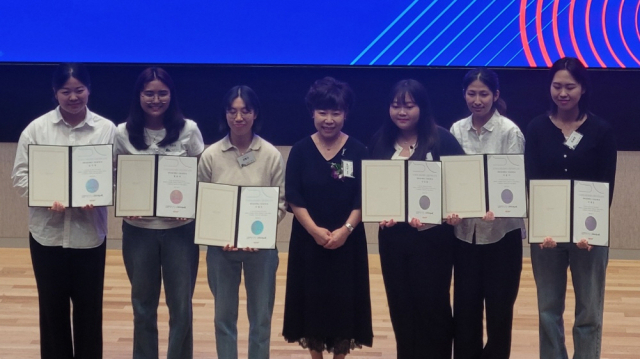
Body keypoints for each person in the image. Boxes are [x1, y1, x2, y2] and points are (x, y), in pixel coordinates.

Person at [11, 63, 116, 359]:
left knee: (89, 309)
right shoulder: (37, 128)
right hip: (47, 234)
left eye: (79, 90)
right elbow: (20, 176)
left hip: (89, 234)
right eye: (66, 91)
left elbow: (117, 174)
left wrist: (101, 194)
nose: (73, 97)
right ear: (55, 93)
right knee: (52, 309)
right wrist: (44, 197)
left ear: (89, 90)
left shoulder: (106, 128)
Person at [524, 57, 616, 359]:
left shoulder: (601, 130)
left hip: (589, 238)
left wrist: (592, 230)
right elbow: (532, 182)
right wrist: (542, 229)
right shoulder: (536, 128)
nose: (562, 93)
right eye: (557, 86)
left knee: (589, 311)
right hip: (548, 237)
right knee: (548, 309)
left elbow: (605, 186)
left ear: (583, 89)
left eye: (570, 87)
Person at [368, 79, 464, 359]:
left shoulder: (442, 139)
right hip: (394, 241)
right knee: (401, 306)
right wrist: (379, 214)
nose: (402, 112)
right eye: (396, 105)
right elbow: (374, 189)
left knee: (433, 306)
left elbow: (460, 186)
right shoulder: (380, 141)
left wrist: (454, 211)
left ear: (422, 108)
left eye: (409, 106)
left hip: (433, 241)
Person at [114, 67, 204, 359]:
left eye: (162, 93)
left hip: (180, 230)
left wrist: (188, 204)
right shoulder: (122, 133)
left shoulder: (188, 129)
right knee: (142, 305)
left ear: (171, 95)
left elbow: (200, 175)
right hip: (138, 231)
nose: (156, 99)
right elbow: (112, 176)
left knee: (181, 307)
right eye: (149, 93)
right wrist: (125, 200)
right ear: (139, 96)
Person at [282, 77, 373, 359]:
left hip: (348, 242)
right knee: (312, 302)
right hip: (309, 243)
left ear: (346, 113)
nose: (329, 119)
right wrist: (314, 231)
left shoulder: (358, 150)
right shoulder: (299, 151)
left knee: (344, 303)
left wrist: (345, 230)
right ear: (312, 113)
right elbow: (294, 197)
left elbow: (363, 196)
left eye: (336, 112)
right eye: (323, 112)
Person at [197, 85, 286, 359]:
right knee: (224, 318)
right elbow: (203, 202)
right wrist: (217, 234)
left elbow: (280, 203)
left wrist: (254, 236)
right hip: (221, 251)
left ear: (255, 113)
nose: (238, 118)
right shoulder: (211, 155)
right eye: (232, 111)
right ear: (225, 114)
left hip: (260, 249)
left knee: (260, 318)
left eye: (245, 111)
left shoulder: (270, 154)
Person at [448, 68, 525, 359]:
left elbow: (514, 184)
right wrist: (450, 208)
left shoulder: (510, 131)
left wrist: (501, 209)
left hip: (501, 234)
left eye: (483, 93)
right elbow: (451, 180)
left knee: (499, 309)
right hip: (465, 234)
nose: (477, 100)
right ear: (464, 94)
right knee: (466, 307)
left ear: (495, 95)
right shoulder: (456, 130)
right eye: (471, 93)